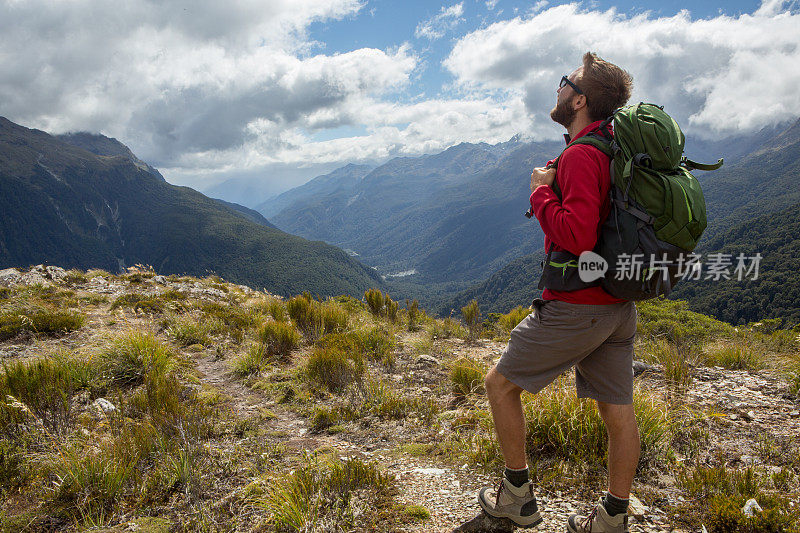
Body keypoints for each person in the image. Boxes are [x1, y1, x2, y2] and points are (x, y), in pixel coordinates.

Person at [477, 52, 637, 533]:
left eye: (567, 81)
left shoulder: (584, 155)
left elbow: (578, 235)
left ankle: (517, 498)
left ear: (581, 99)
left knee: (499, 385)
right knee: (617, 410)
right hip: (616, 305)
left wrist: (540, 194)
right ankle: (612, 520)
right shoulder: (606, 148)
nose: (561, 87)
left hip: (577, 307)